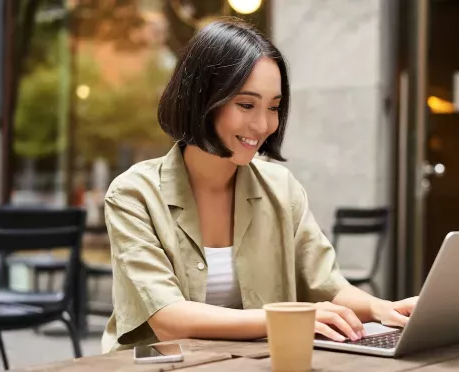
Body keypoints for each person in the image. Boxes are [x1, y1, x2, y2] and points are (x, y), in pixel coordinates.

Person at [101, 17, 418, 353]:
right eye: (247, 104)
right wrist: (290, 318)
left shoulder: (281, 188)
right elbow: (169, 318)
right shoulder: (134, 193)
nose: (264, 124)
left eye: (274, 107)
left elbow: (327, 285)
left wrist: (382, 308)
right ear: (200, 99)